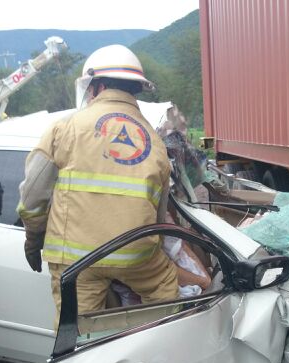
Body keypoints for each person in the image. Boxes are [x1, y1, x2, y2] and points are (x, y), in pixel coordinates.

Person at [17, 44, 179, 321]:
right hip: (136, 257)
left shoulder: (66, 127)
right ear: (135, 90)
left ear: (96, 87)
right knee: (165, 301)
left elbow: (32, 198)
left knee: (79, 341)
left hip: (77, 261)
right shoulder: (154, 140)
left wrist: (33, 241)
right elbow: (159, 214)